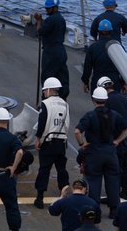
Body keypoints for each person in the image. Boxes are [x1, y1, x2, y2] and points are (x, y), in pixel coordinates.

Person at [74, 86, 127, 217]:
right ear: (106, 100)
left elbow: (77, 131)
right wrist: (117, 141)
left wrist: (82, 144)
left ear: (94, 100)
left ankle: (95, 210)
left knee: (94, 181)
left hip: (94, 153)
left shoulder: (90, 116)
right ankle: (114, 209)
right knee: (113, 180)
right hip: (110, 152)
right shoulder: (114, 114)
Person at [33, 76, 70, 209]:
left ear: (48, 90)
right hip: (61, 142)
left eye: (44, 90)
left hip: (48, 142)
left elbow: (42, 122)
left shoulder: (46, 104)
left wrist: (38, 138)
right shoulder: (65, 104)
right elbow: (67, 124)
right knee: (61, 168)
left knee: (44, 169)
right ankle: (64, 190)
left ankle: (40, 197)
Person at [98, 77, 127, 192]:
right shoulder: (123, 99)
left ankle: (113, 194)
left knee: (113, 169)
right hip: (126, 139)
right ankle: (126, 190)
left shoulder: (106, 101)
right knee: (125, 164)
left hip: (113, 140)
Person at [37, 0, 71, 99]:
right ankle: (63, 97)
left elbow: (40, 31)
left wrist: (39, 21)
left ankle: (47, 99)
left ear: (54, 8)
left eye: (48, 8)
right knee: (62, 75)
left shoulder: (50, 20)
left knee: (47, 76)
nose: (46, 10)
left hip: (51, 51)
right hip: (61, 50)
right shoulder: (61, 19)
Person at [81, 20, 122, 92]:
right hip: (114, 81)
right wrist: (124, 83)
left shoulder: (93, 48)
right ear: (111, 31)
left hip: (98, 80)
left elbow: (87, 67)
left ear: (98, 32)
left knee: (99, 101)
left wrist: (86, 82)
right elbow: (124, 67)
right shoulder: (118, 47)